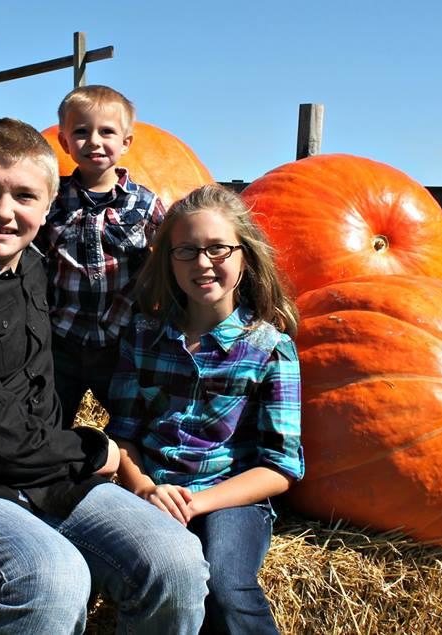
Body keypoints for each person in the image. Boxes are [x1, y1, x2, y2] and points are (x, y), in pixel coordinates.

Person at [0, 117, 208, 635]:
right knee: (50, 578)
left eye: (24, 196)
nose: (5, 211)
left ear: (49, 202)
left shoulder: (34, 265)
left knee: (176, 560)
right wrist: (95, 451)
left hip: (47, 480)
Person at [106, 184, 304, 635]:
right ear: (169, 260)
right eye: (187, 251)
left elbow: (281, 467)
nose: (202, 263)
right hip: (154, 487)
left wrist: (197, 504)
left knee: (227, 586)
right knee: (145, 577)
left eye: (218, 248)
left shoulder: (269, 348)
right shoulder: (144, 336)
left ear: (244, 256)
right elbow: (123, 433)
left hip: (228, 495)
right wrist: (144, 488)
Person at [35, 84, 165, 428]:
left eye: (106, 132)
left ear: (126, 142)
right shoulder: (52, 200)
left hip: (122, 343)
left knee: (130, 424)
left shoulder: (145, 203)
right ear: (64, 142)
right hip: (62, 340)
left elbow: (169, 255)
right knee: (51, 423)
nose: (94, 141)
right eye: (81, 132)